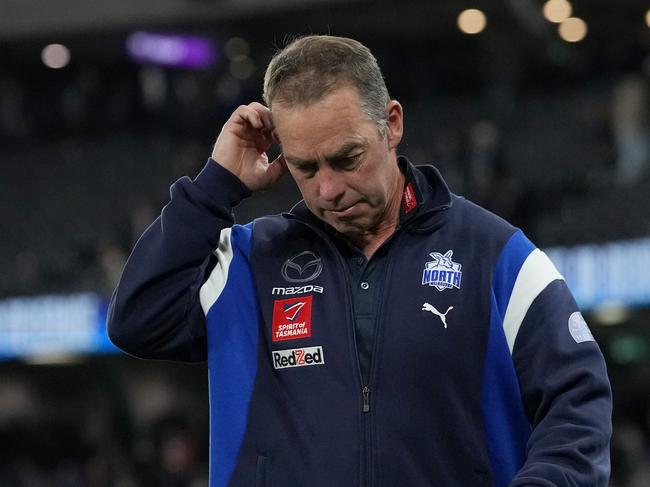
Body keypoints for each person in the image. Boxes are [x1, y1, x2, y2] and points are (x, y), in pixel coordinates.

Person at [108, 35, 612, 487]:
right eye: (305, 167)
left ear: (391, 124)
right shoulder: (248, 263)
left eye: (347, 158)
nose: (329, 189)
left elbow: (578, 401)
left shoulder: (498, 257)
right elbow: (137, 319)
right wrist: (215, 186)